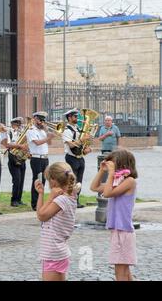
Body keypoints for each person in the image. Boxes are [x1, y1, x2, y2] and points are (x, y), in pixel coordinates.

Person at [90, 149, 138, 281]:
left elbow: (107, 193)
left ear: (122, 164)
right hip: (118, 230)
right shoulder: (117, 181)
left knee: (120, 272)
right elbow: (94, 187)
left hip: (124, 230)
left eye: (113, 163)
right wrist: (102, 171)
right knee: (125, 272)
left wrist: (110, 174)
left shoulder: (130, 181)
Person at [34, 162, 78, 281]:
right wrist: (41, 194)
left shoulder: (61, 200)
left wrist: (49, 197)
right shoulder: (70, 196)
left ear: (53, 181)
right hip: (59, 252)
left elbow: (41, 216)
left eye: (48, 180)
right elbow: (41, 214)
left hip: (53, 253)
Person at [62, 108, 92, 209]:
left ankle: (76, 200)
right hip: (71, 158)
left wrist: (86, 149)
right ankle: (71, 201)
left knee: (79, 181)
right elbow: (71, 145)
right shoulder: (66, 131)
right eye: (75, 116)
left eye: (77, 116)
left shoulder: (78, 129)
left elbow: (80, 146)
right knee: (72, 181)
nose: (77, 118)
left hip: (80, 158)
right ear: (69, 118)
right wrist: (82, 140)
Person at [26, 111, 55, 211]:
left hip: (45, 158)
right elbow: (37, 143)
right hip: (36, 158)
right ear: (35, 119)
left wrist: (47, 132)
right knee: (37, 180)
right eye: (40, 120)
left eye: (43, 120)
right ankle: (34, 204)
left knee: (44, 180)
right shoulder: (31, 130)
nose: (41, 122)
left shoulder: (43, 131)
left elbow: (49, 143)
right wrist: (48, 138)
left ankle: (40, 201)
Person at [7, 117, 28, 207]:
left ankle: (19, 199)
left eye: (20, 124)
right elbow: (8, 144)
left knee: (21, 180)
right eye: (17, 124)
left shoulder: (22, 133)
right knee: (17, 179)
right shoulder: (9, 132)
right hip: (13, 157)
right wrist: (20, 146)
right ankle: (14, 200)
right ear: (13, 124)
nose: (19, 126)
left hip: (22, 157)